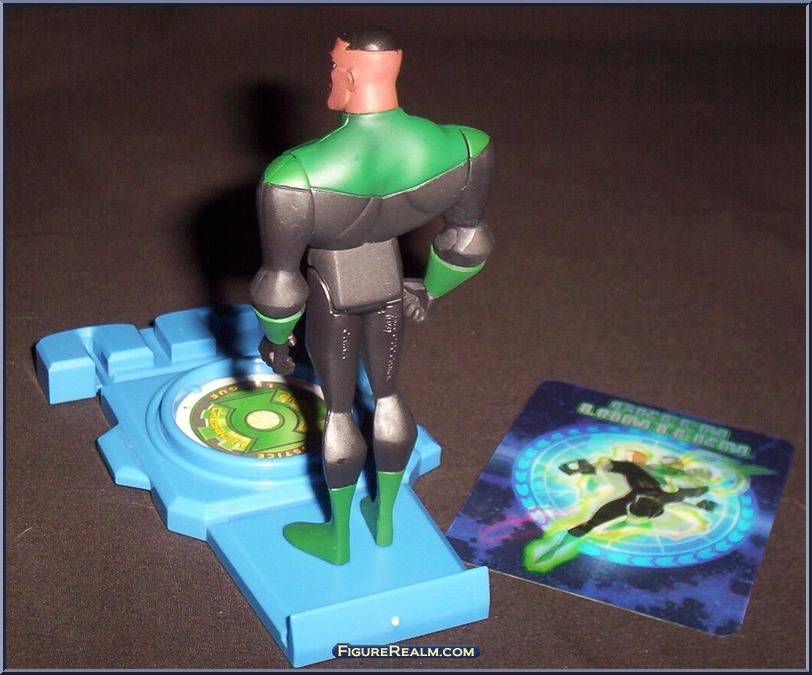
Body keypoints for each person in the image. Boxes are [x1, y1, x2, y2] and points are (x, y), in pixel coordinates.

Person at [251, 26, 494, 564]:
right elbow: (469, 241)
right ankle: (384, 519)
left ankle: (337, 539)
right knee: (387, 395)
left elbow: (280, 284)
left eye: (334, 67)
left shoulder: (295, 175)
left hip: (332, 292)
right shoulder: (462, 147)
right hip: (389, 286)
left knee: (339, 411)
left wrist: (277, 340)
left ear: (350, 74)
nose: (330, 76)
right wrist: (431, 290)